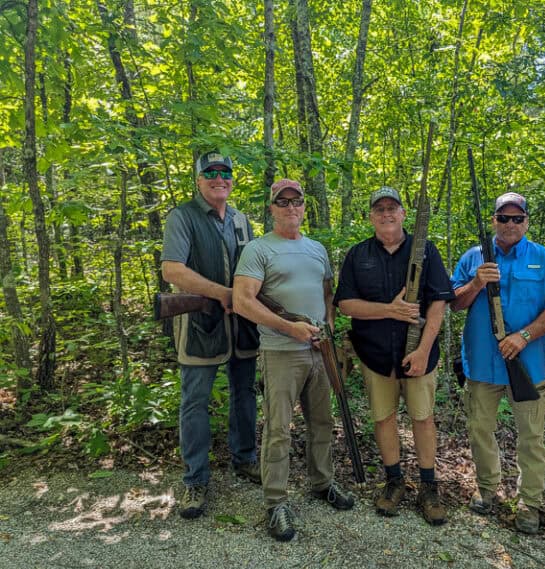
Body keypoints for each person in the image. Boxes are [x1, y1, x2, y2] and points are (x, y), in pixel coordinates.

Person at [232, 178, 354, 542]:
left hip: (319, 352)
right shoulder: (257, 250)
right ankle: (275, 503)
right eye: (282, 202)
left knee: (321, 423)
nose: (290, 207)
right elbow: (243, 301)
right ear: (271, 208)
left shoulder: (317, 249)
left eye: (295, 201)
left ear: (304, 206)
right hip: (281, 353)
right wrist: (289, 327)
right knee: (278, 430)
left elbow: (328, 295)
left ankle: (323, 483)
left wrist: (326, 331)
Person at [451, 192, 545, 534]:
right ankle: (487, 490)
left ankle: (529, 504)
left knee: (531, 438)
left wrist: (524, 336)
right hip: (481, 366)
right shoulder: (473, 258)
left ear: (526, 221)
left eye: (517, 218)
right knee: (479, 430)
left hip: (528, 366)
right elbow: (453, 304)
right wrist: (476, 283)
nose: (510, 224)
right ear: (494, 220)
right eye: (504, 218)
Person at [334, 186, 455, 526]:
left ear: (403, 213)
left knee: (422, 418)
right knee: (383, 417)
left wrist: (423, 350)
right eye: (380, 209)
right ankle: (394, 481)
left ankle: (429, 487)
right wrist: (390, 310)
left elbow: (438, 304)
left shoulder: (426, 251)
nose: (386, 214)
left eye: (393, 208)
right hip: (374, 355)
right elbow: (345, 304)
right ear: (371, 216)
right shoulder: (358, 255)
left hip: (420, 356)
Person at [161, 151, 261, 520]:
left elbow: (253, 267)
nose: (219, 178)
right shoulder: (182, 216)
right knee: (195, 401)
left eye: (225, 173)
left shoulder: (241, 220)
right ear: (199, 179)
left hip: (241, 325)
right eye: (211, 173)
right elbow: (173, 270)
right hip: (201, 324)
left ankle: (245, 459)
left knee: (245, 393)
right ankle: (195, 479)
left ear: (232, 179)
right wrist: (223, 294)